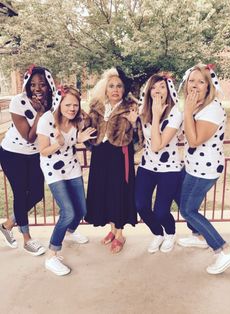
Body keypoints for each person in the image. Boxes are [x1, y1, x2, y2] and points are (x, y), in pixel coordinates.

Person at [177, 63, 230, 274]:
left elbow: (193, 140)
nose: (195, 85)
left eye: (201, 81)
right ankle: (198, 236)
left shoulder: (212, 109)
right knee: (183, 199)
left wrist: (186, 112)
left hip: (205, 169)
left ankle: (223, 249)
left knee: (187, 210)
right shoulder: (199, 107)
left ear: (209, 86)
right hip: (194, 166)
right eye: (191, 80)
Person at [37, 85, 96, 275]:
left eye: (76, 105)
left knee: (82, 210)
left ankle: (69, 231)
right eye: (68, 105)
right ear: (59, 103)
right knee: (69, 212)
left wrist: (78, 139)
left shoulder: (77, 120)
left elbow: (72, 141)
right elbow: (44, 151)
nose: (72, 109)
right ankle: (52, 254)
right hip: (54, 171)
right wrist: (58, 144)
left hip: (72, 168)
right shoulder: (47, 120)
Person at [85, 67, 143, 254]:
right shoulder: (97, 108)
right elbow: (87, 130)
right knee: (104, 192)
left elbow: (139, 140)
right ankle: (111, 229)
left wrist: (135, 123)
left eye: (119, 86)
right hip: (100, 156)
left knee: (119, 193)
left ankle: (119, 235)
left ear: (124, 89)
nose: (115, 89)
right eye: (111, 86)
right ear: (105, 89)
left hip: (120, 156)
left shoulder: (130, 108)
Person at [0, 65, 55, 256]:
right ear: (27, 86)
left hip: (34, 155)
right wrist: (39, 114)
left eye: (42, 84)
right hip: (13, 153)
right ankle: (26, 238)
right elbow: (29, 137)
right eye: (33, 85)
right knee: (20, 194)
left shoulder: (52, 102)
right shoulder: (18, 101)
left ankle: (7, 225)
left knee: (37, 193)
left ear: (49, 85)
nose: (37, 88)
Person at [135, 72, 183, 254]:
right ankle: (158, 233)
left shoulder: (175, 113)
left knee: (161, 211)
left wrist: (156, 116)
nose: (157, 90)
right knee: (140, 206)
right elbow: (140, 140)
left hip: (169, 169)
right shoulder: (143, 111)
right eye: (153, 87)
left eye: (162, 86)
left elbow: (157, 145)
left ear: (168, 90)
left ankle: (170, 233)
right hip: (147, 167)